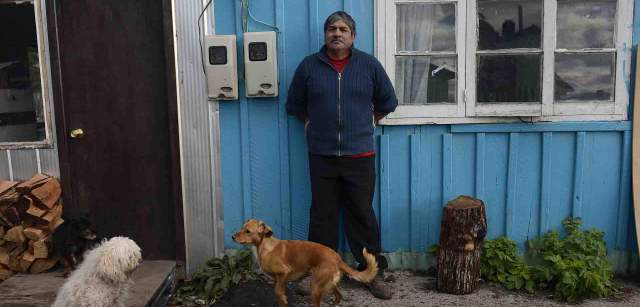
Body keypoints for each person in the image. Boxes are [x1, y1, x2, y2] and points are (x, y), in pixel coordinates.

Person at [286, 11, 398, 299]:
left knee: (361, 214)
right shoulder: (309, 67)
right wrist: (309, 122)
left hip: (360, 155)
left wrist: (371, 120)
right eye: (332, 29)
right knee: (322, 216)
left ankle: (372, 273)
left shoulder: (369, 65)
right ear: (325, 34)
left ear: (352, 35)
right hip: (321, 155)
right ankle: (318, 273)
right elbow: (294, 104)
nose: (337, 33)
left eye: (343, 29)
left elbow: (388, 100)